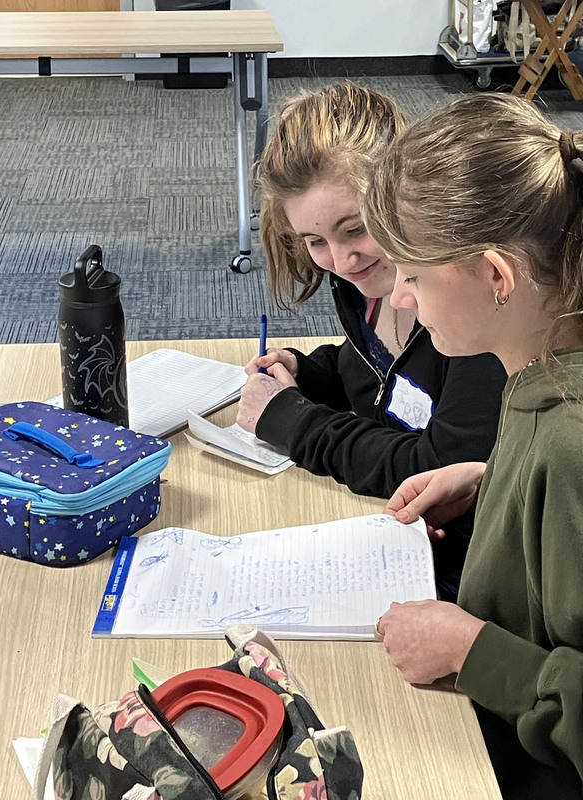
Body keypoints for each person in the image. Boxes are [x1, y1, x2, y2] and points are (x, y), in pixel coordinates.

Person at [366, 92, 583, 799]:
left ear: (496, 276)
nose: (400, 298)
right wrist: (494, 482)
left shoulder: (568, 442)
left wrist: (471, 651)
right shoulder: (541, 366)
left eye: (413, 276)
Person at [236, 82, 507, 597]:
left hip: (464, 573)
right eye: (315, 241)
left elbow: (438, 470)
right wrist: (310, 372)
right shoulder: (363, 284)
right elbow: (377, 373)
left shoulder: (471, 312)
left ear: (404, 195)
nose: (341, 262)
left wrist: (292, 422)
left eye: (356, 229)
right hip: (391, 536)